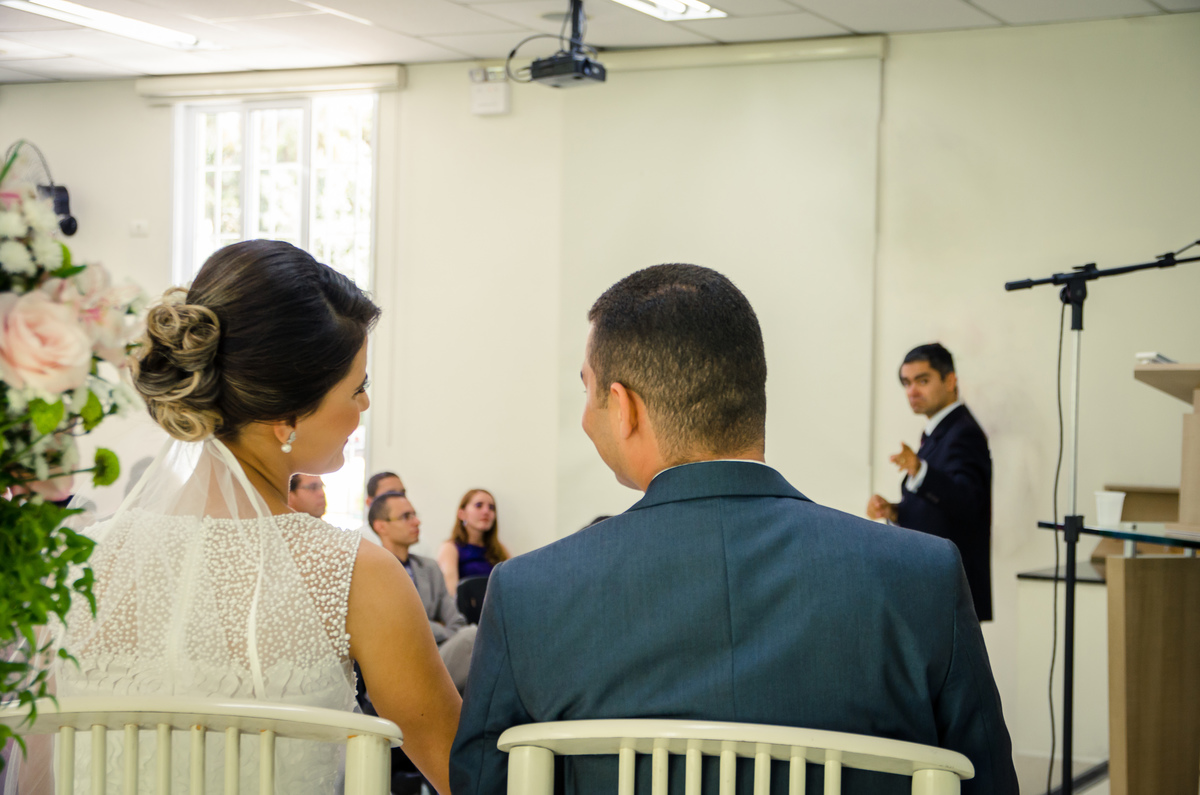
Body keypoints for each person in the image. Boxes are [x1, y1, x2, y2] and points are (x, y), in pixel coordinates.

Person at [450, 264, 1016, 795]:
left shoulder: (528, 593)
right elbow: (987, 780)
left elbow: (482, 783)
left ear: (623, 409)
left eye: (586, 389)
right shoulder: (925, 577)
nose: (584, 415)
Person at [54, 241, 460, 795]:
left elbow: (40, 772)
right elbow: (462, 772)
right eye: (358, 387)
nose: (364, 407)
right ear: (284, 416)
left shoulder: (83, 561)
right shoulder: (356, 575)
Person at [866, 343, 993, 621]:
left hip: (948, 589)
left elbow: (969, 502)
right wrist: (895, 512)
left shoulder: (963, 432)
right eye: (907, 383)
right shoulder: (941, 431)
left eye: (922, 381)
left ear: (950, 381)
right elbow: (940, 510)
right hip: (932, 586)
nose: (912, 391)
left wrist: (920, 470)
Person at [369, 491, 477, 692]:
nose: (416, 522)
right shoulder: (371, 570)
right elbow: (395, 628)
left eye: (414, 514)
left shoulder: (430, 568)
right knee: (472, 638)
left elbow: (456, 621)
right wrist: (438, 629)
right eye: (406, 517)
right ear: (380, 526)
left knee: (473, 638)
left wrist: (431, 629)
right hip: (397, 666)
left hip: (440, 657)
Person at [436, 489, 509, 594]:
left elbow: (514, 582)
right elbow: (451, 593)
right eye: (479, 505)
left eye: (491, 508)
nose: (486, 511)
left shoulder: (499, 548)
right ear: (462, 514)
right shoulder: (450, 548)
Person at [358, 470, 406, 545]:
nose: (400, 498)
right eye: (391, 494)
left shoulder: (416, 538)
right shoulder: (359, 541)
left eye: (402, 493)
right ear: (369, 502)